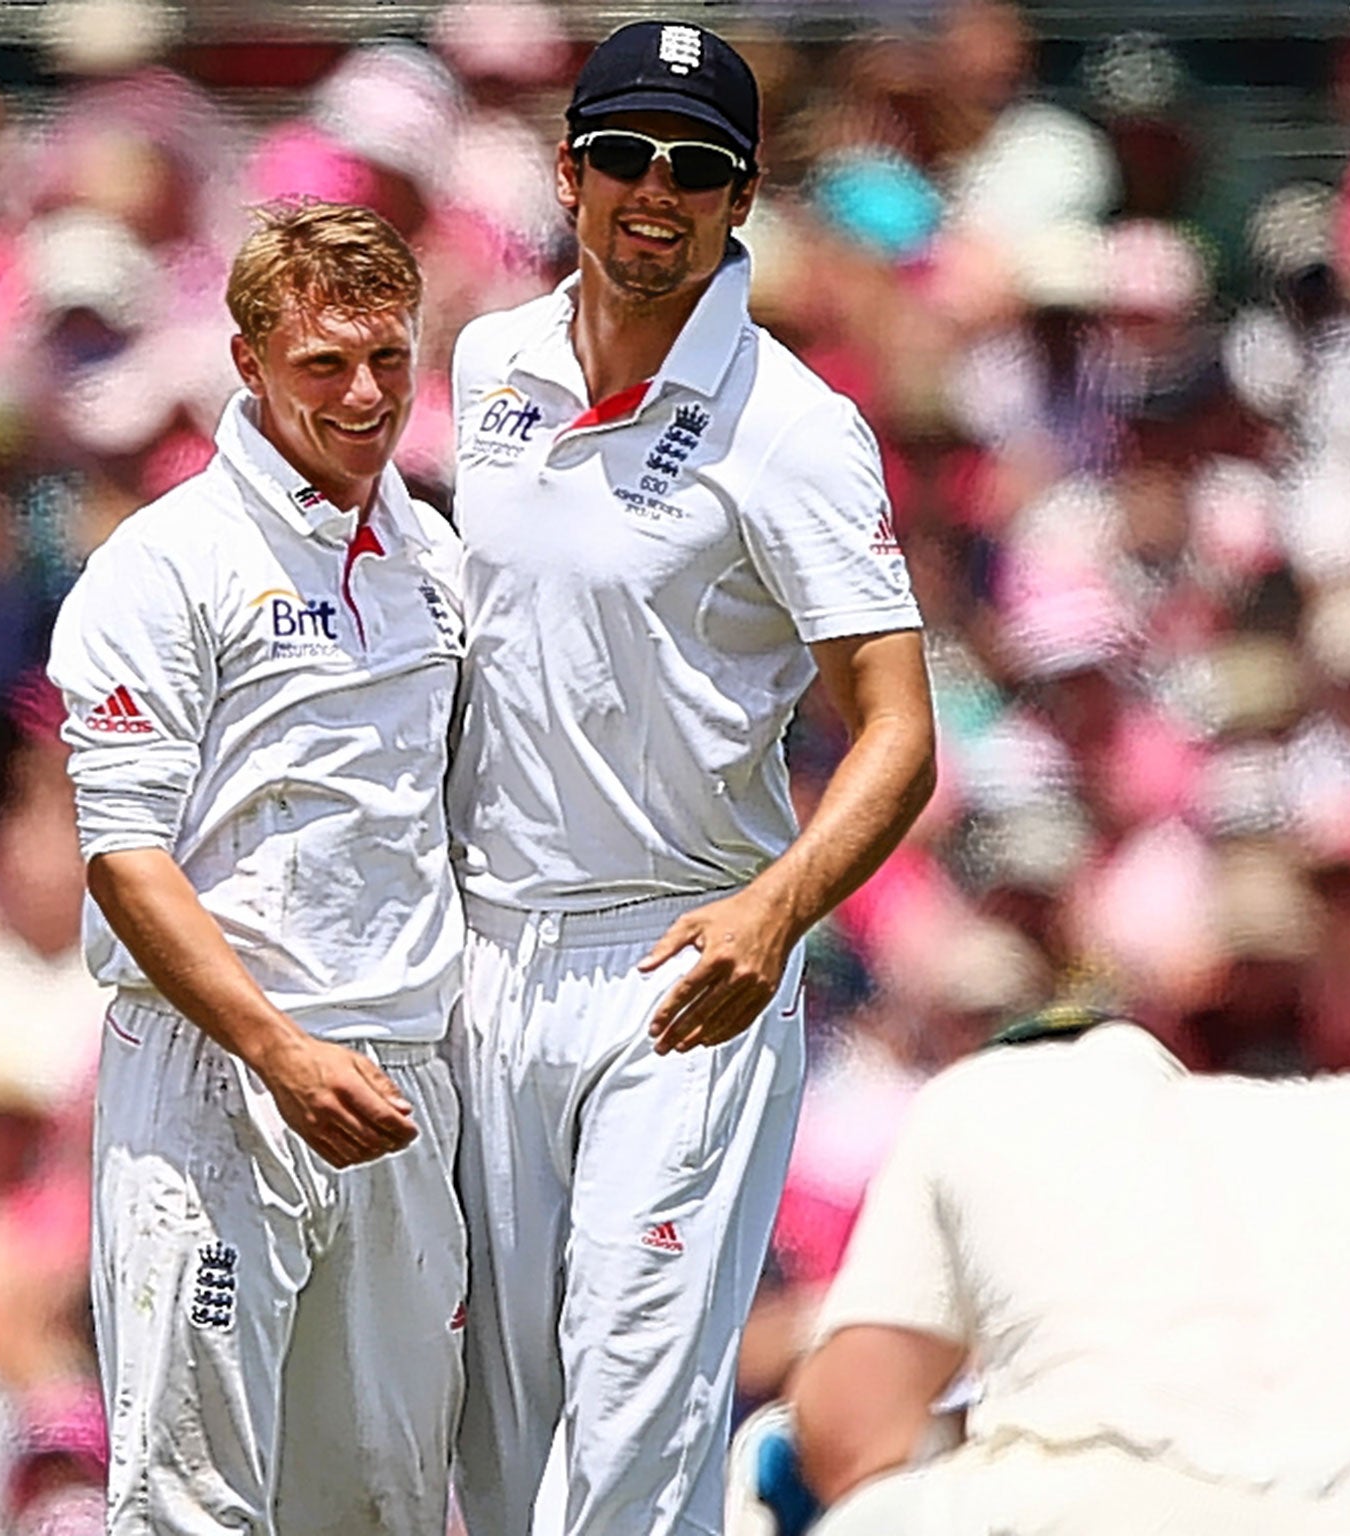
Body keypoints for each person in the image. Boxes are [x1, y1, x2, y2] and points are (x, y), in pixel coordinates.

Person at [445, 18, 936, 1535]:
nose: (653, 192)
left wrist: (774, 914)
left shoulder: (793, 428)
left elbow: (900, 729)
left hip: (686, 963)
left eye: (697, 168)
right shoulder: (487, 367)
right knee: (491, 1444)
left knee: (635, 1438)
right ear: (569, 170)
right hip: (486, 955)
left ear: (741, 199)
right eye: (623, 156)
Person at [45, 199, 467, 1533]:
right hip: (219, 1079)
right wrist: (279, 1052)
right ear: (248, 361)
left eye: (388, 359)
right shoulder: (164, 565)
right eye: (323, 363)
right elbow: (123, 857)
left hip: (402, 1075)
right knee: (191, 1505)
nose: (362, 394)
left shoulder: (436, 561)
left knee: (388, 1501)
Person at [732, 1007, 1350, 1536]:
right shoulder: (1325, 1117)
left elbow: (850, 1445)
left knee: (779, 1472)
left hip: (1089, 1515)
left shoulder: (980, 1099)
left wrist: (990, 1429)